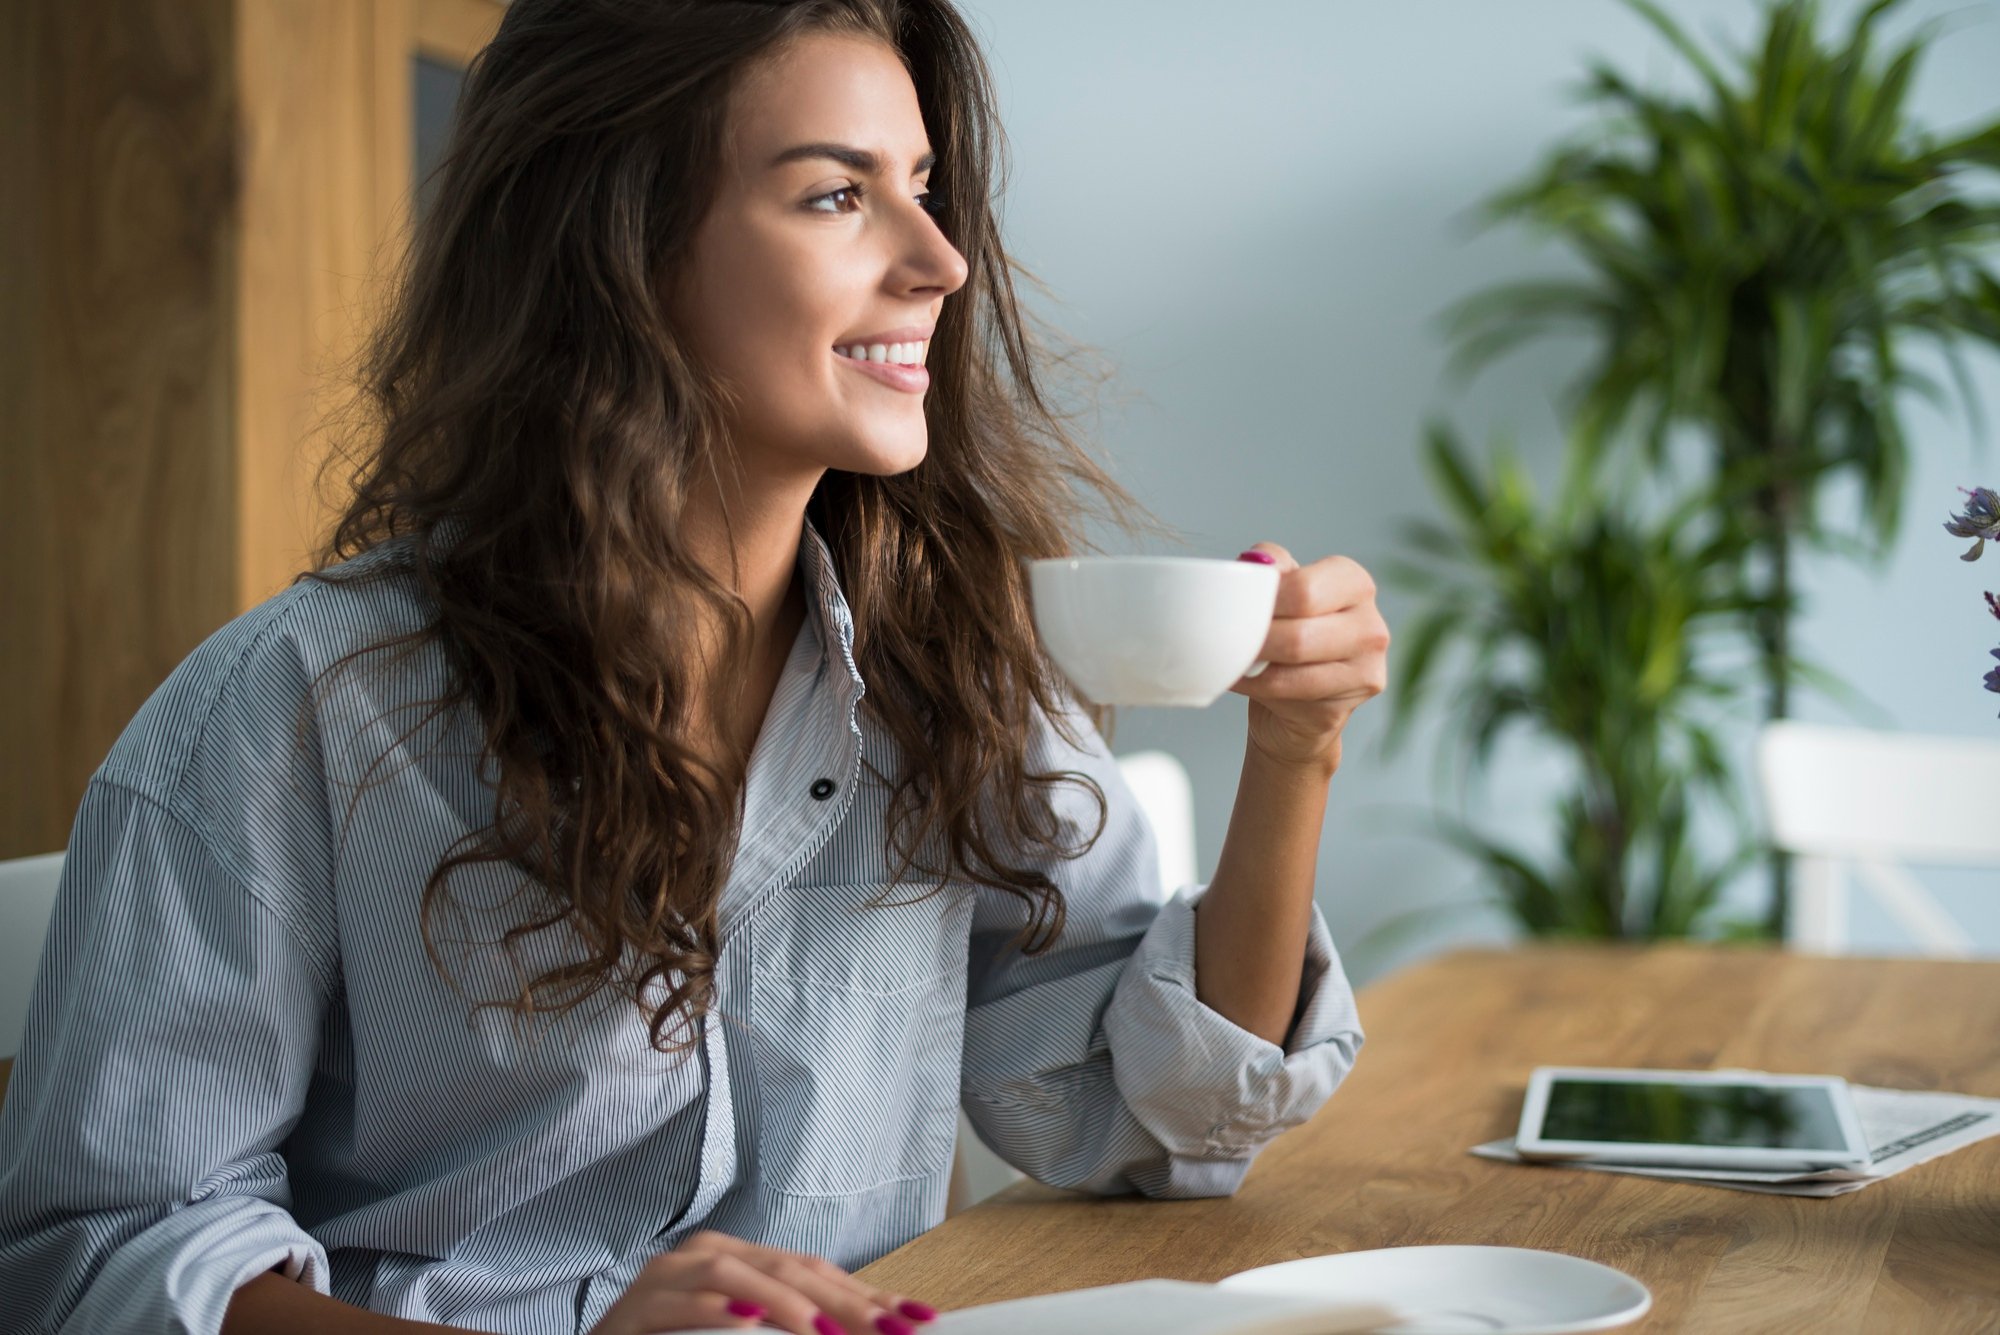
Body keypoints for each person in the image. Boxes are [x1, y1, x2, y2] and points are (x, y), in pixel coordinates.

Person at [0, 1, 1388, 1332]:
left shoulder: (953, 669)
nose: (942, 259)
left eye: (921, 182)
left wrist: (1295, 751)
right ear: (620, 246)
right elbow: (112, 1264)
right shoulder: (292, 710)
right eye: (836, 195)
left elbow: (1151, 1114)